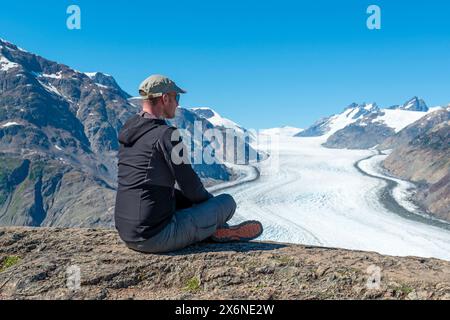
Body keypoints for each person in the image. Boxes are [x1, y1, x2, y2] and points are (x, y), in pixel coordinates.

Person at [114, 74, 263, 253]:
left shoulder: (128, 132)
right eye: (177, 97)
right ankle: (216, 228)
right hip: (155, 237)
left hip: (126, 232)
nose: (178, 103)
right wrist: (212, 209)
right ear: (165, 98)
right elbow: (190, 185)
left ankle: (211, 227)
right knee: (227, 202)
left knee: (177, 196)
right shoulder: (167, 135)